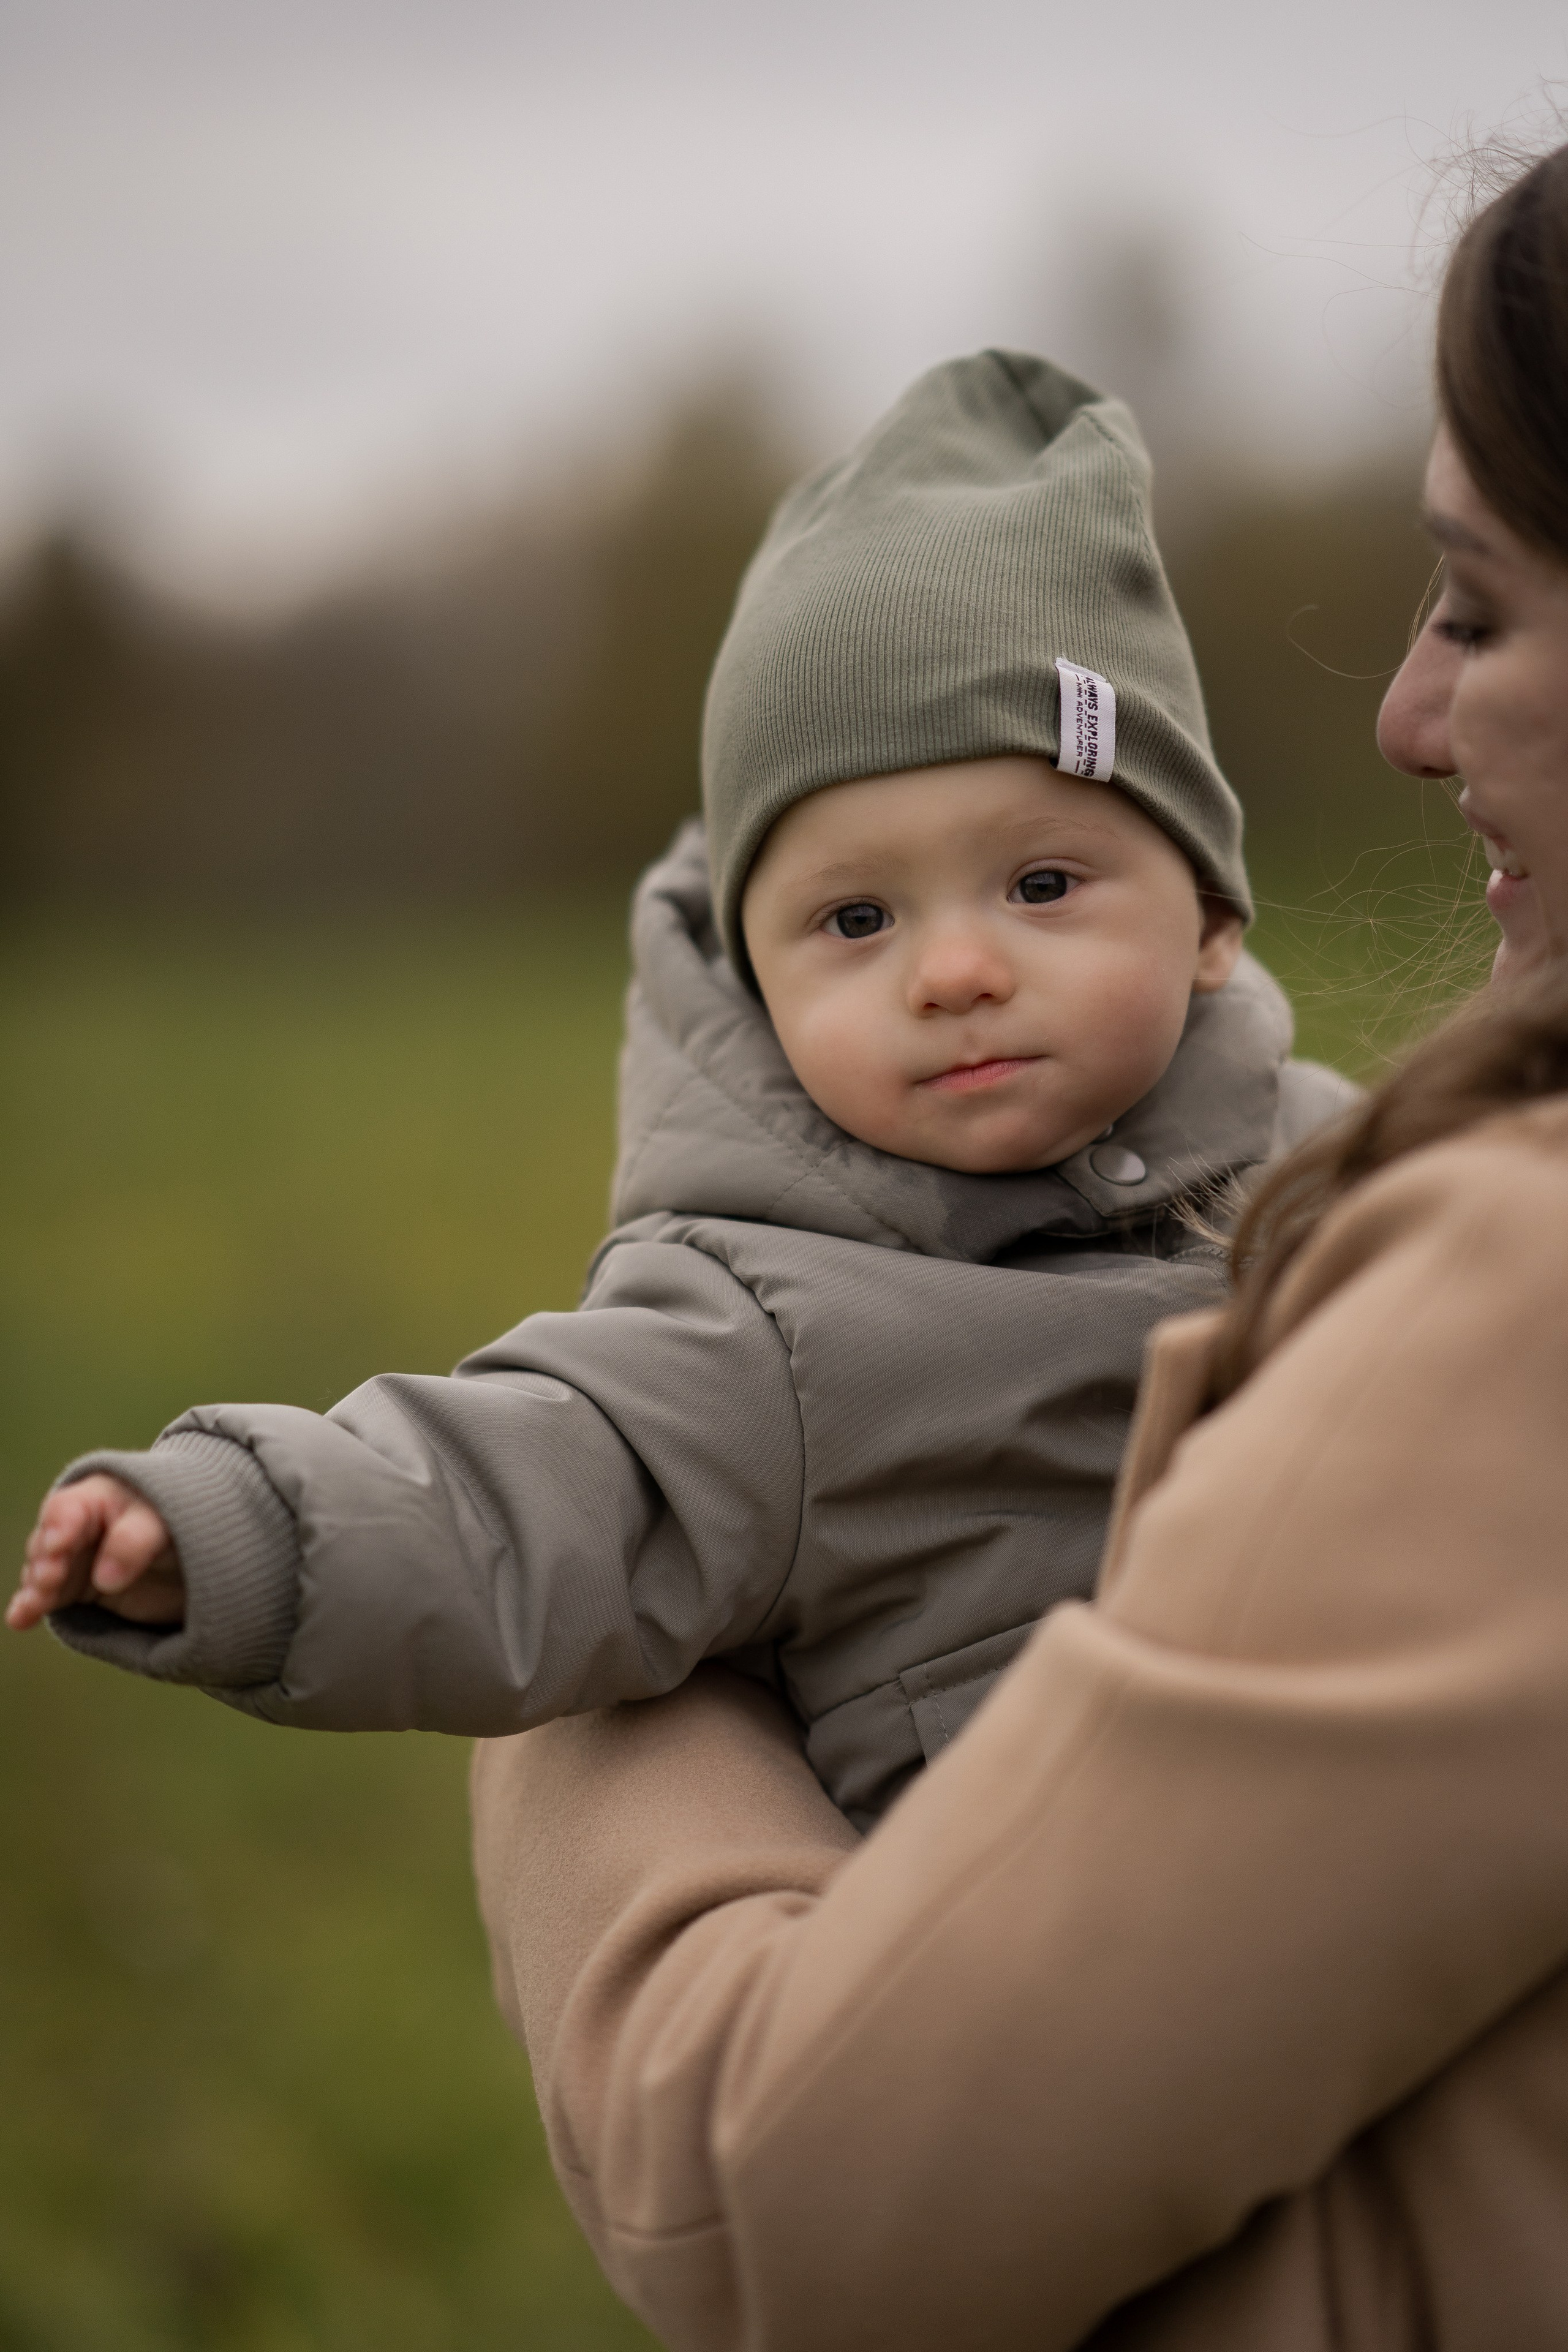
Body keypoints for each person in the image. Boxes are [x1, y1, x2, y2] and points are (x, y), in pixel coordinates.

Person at [466, 143, 1568, 2351]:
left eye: (1481, 606)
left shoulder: (1517, 1311)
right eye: (859, 915)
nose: (1403, 712)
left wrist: (614, 1543)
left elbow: (795, 2212)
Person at [6, 355, 1348, 1833]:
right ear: (754, 981)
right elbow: (526, 1489)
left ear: (1211, 914)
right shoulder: (767, 1322)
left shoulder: (1345, 1170)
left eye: (1039, 883)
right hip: (1040, 1963)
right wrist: (232, 1528)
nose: (954, 970)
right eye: (855, 921)